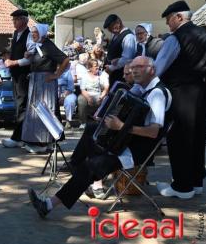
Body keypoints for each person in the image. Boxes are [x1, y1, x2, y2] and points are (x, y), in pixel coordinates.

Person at [28, 56, 172, 217]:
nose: (134, 70)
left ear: (151, 70)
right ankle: (75, 169)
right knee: (92, 129)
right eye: (133, 67)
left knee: (90, 166)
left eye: (139, 66)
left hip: (135, 151)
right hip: (124, 141)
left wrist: (121, 126)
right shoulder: (142, 88)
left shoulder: (157, 94)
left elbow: (153, 132)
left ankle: (49, 204)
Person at [154, 0, 206, 199]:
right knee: (197, 137)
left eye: (169, 19)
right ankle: (196, 182)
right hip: (202, 93)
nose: (168, 24)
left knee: (178, 138)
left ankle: (182, 186)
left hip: (180, 94)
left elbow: (158, 69)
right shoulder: (205, 34)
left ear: (179, 17)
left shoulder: (175, 38)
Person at [21, 23, 69, 153]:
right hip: (37, 81)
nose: (32, 35)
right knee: (38, 110)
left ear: (42, 33)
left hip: (44, 83)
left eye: (35, 32)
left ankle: (41, 143)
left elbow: (65, 60)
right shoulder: (39, 46)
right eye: (32, 33)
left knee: (43, 110)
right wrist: (28, 55)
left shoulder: (48, 45)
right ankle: (45, 141)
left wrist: (56, 74)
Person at [1, 9, 32, 148]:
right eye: (13, 20)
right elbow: (11, 51)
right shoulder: (15, 34)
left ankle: (18, 137)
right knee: (19, 104)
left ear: (24, 20)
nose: (14, 22)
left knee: (22, 105)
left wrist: (14, 62)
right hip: (16, 75)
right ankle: (22, 135)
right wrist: (7, 57)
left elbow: (30, 58)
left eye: (16, 19)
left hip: (24, 75)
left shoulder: (30, 35)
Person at [103, 14, 136, 86]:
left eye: (112, 27)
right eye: (110, 29)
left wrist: (111, 68)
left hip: (122, 76)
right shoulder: (116, 35)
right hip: (114, 75)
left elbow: (127, 59)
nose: (112, 30)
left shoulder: (128, 37)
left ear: (118, 22)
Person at [77, 59, 109, 128]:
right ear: (90, 68)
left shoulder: (102, 74)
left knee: (106, 99)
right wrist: (88, 98)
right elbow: (82, 89)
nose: (97, 67)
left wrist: (101, 97)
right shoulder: (85, 75)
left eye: (98, 65)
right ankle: (83, 122)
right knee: (80, 99)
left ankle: (103, 121)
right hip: (87, 94)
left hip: (99, 94)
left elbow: (106, 88)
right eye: (95, 66)